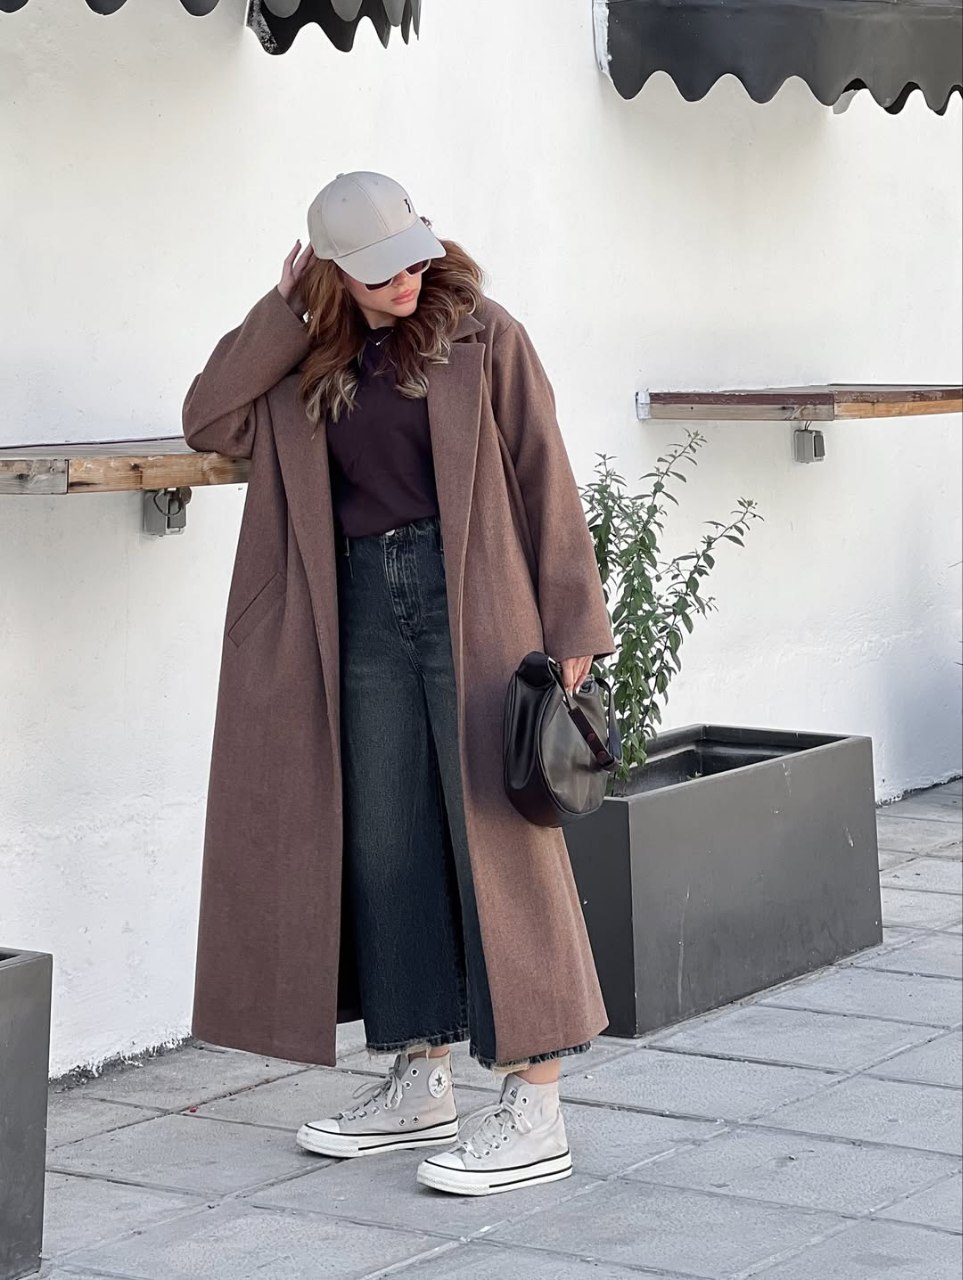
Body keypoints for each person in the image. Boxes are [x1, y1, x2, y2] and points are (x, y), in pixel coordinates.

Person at [183, 171, 616, 1197]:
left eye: (413, 257)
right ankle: (420, 1076)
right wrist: (281, 312)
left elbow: (544, 471)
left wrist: (573, 622)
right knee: (387, 843)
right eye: (378, 272)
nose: (406, 280)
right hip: (362, 613)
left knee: (499, 842)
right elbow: (208, 417)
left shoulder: (484, 335)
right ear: (333, 274)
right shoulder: (308, 357)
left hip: (476, 602)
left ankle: (536, 1102)